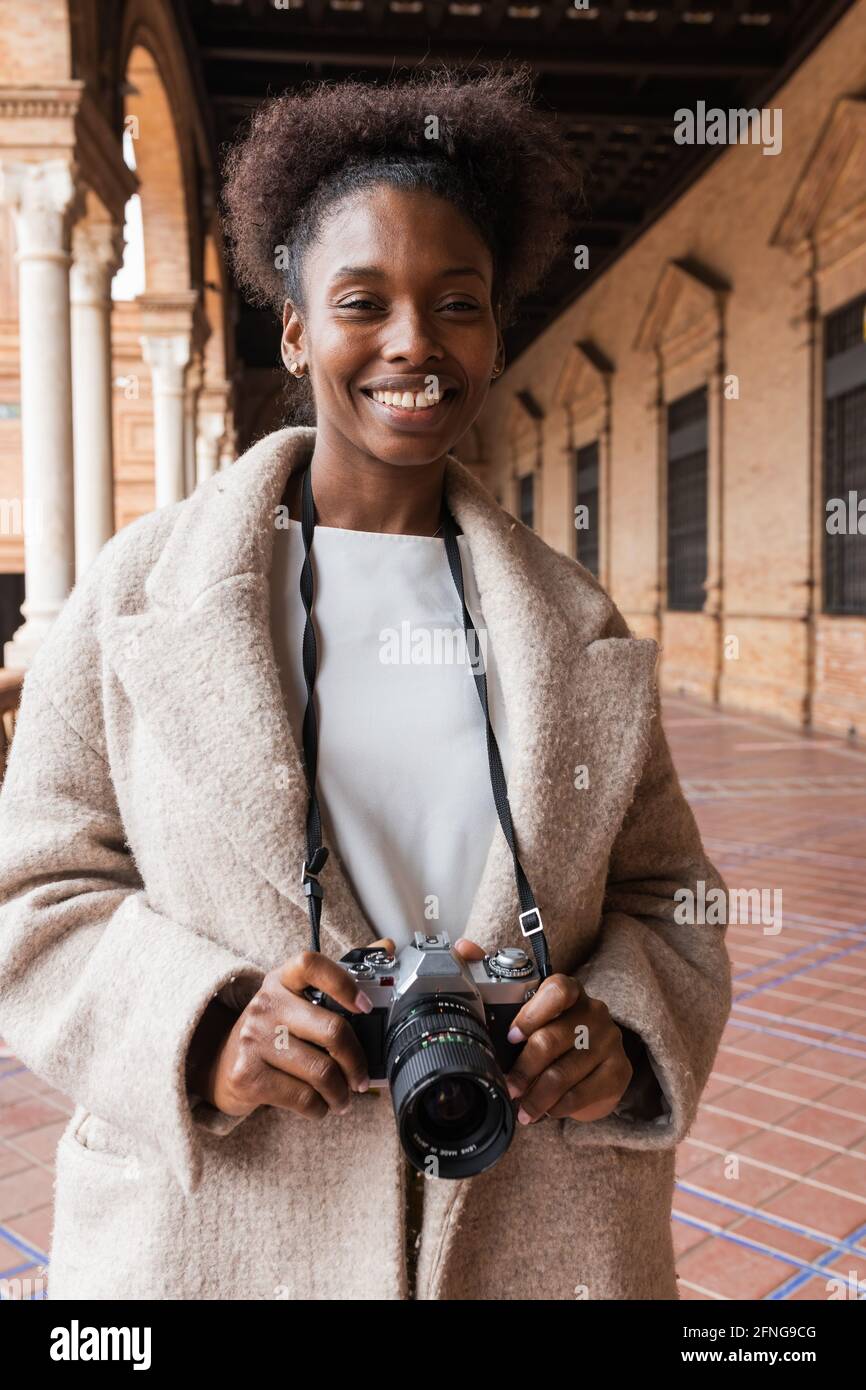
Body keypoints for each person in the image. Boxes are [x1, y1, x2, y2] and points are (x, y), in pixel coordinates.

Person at [0, 63, 732, 1301]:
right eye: (361, 300)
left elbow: (672, 900)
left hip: (530, 1229)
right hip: (218, 1241)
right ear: (293, 328)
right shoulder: (135, 600)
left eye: (457, 303)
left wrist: (615, 1040)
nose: (412, 342)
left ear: (497, 332)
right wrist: (203, 1028)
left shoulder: (574, 622)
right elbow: (34, 896)